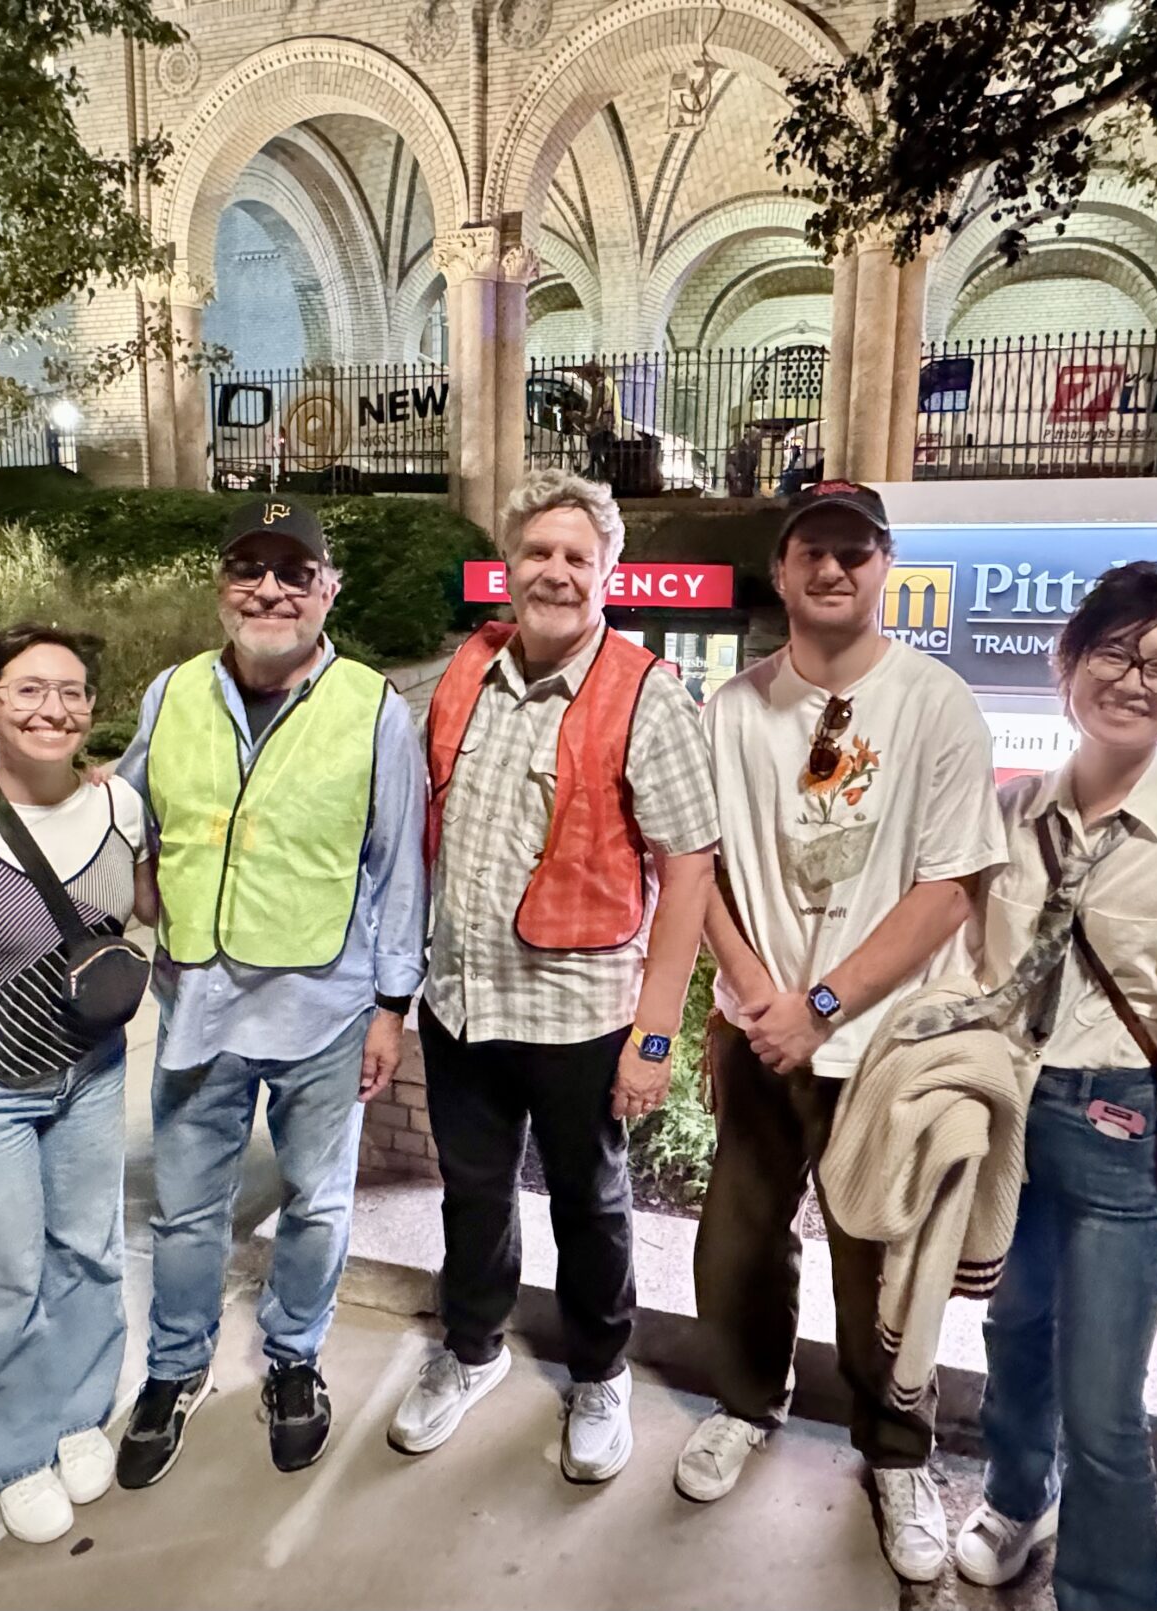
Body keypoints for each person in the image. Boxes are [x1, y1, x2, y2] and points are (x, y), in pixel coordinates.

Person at [675, 481, 1005, 1582]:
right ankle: (743, 1405)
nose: (832, 569)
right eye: (811, 551)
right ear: (780, 570)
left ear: (884, 564)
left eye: (853, 552)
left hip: (886, 1052)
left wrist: (820, 1005)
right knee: (734, 1249)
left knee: (881, 1271)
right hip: (759, 1038)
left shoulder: (935, 703)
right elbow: (697, 869)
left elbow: (950, 884)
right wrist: (757, 994)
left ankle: (895, 1452)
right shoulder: (729, 710)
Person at [945, 563, 1157, 1608]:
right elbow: (970, 972)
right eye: (1115, 653)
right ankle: (1011, 1498)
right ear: (1067, 662)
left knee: (1104, 1400)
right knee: (1009, 1331)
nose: (1135, 680)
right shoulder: (1008, 812)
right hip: (1007, 1119)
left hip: (1120, 1129)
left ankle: (1104, 1590)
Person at [389, 469, 718, 1483]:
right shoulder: (462, 672)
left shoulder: (645, 696)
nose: (555, 572)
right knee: (472, 1196)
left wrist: (654, 1035)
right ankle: (473, 1349)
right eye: (537, 552)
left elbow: (690, 866)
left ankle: (598, 1373)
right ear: (508, 565)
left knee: (589, 1205)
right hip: (463, 1004)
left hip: (579, 1018)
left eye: (578, 556)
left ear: (608, 571)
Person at [112, 497, 428, 1481]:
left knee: (317, 1206)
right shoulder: (170, 696)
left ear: (327, 589)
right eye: (251, 567)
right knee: (184, 1214)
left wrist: (390, 1010)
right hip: (198, 1005)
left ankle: (293, 1360)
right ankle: (173, 1370)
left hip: (324, 1013)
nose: (271, 588)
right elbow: (124, 818)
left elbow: (400, 871)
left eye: (295, 571)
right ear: (222, 585)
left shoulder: (373, 708)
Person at [0, 626, 155, 1543]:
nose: (56, 709)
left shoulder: (121, 805)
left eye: (74, 691)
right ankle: (9, 1449)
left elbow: (151, 904)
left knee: (88, 1247)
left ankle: (81, 1407)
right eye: (30, 691)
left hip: (88, 1073)